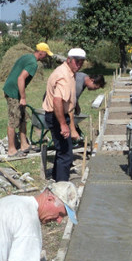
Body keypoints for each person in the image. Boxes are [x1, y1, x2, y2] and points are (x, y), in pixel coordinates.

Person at [3, 42, 54, 157]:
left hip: (11, 88)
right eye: (46, 54)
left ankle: (24, 145)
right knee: (14, 120)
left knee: (23, 117)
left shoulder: (27, 56)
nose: (46, 57)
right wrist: (23, 97)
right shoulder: (33, 63)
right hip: (13, 92)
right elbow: (21, 78)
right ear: (41, 52)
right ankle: (11, 150)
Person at [42, 48, 86, 182]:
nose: (79, 64)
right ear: (69, 60)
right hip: (56, 116)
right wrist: (63, 124)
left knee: (62, 150)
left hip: (57, 115)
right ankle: (62, 185)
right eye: (76, 61)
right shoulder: (64, 76)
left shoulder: (67, 71)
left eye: (81, 62)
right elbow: (57, 101)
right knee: (66, 154)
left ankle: (56, 177)